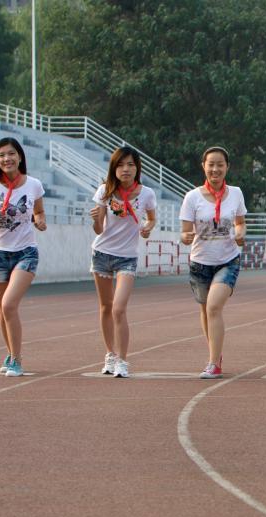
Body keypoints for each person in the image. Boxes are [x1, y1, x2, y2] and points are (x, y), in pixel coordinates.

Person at [0, 137, 46, 377]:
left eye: (11, 154)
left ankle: (16, 360)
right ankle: (10, 353)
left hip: (26, 252)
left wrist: (40, 221)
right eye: (1, 155)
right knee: (2, 310)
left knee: (9, 305)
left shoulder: (34, 185)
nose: (6, 159)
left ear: (19, 156)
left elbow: (39, 211)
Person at [89, 147, 157, 378]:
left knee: (119, 308)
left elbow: (151, 218)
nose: (125, 169)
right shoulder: (104, 192)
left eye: (129, 164)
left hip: (127, 257)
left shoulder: (146, 193)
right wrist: (96, 221)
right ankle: (110, 353)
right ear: (113, 168)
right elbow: (99, 228)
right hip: (102, 254)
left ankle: (123, 360)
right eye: (120, 165)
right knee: (106, 307)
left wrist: (148, 228)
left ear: (137, 167)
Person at [180, 146, 247, 379]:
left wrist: (240, 233)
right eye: (211, 164)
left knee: (213, 307)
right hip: (200, 263)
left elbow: (240, 222)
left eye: (220, 164)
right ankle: (215, 354)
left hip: (227, 260)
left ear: (227, 167)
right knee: (205, 309)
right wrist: (185, 237)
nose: (215, 169)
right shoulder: (192, 197)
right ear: (204, 166)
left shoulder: (236, 193)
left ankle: (213, 363)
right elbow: (185, 232)